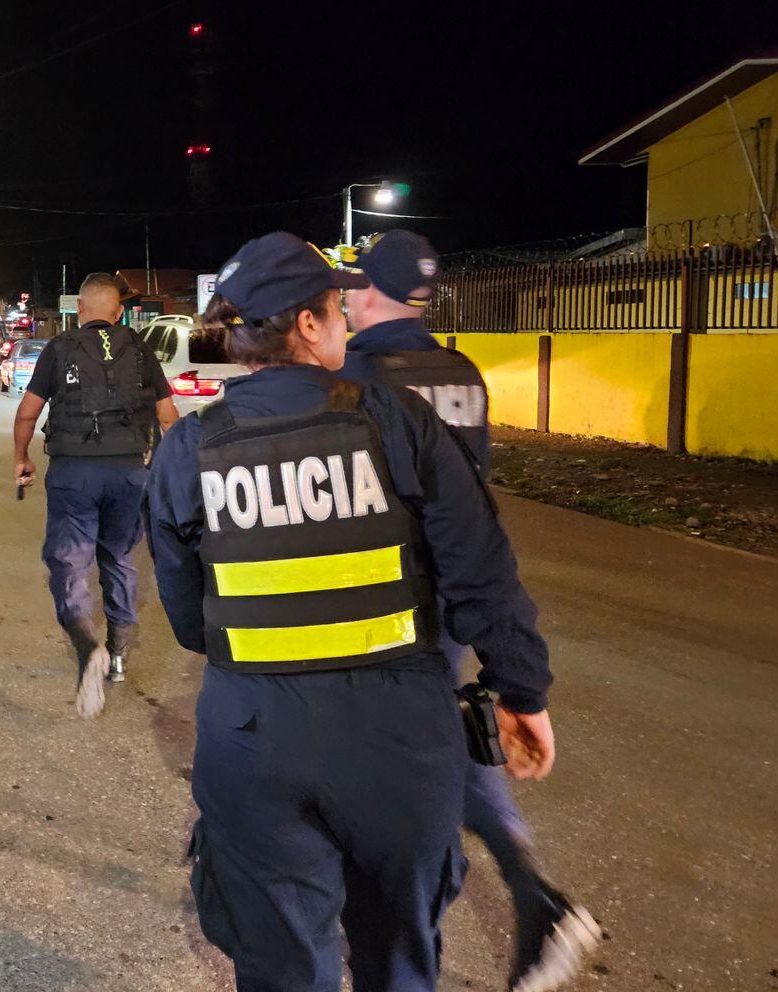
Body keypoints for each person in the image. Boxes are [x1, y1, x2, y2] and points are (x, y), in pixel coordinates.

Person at [146, 231, 557, 992]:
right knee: (399, 956)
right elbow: (481, 572)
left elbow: (185, 619)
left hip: (254, 742)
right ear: (306, 324)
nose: (344, 320)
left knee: (278, 963)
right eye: (336, 307)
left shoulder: (191, 448)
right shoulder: (392, 418)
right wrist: (521, 692)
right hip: (398, 739)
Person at [342, 230, 600, 992]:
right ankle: (527, 890)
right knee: (446, 734)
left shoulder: (356, 377)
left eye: (353, 287)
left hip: (383, 598)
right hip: (456, 594)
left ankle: (396, 926)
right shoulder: (460, 371)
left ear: (366, 295)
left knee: (372, 754)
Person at [13, 272, 178, 718]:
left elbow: (28, 412)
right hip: (129, 472)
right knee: (119, 558)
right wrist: (173, 472)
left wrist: (21, 459)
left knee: (69, 559)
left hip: (74, 473)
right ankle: (119, 653)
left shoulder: (60, 347)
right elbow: (168, 416)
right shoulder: (141, 349)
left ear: (80, 309)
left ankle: (88, 646)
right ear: (119, 312)